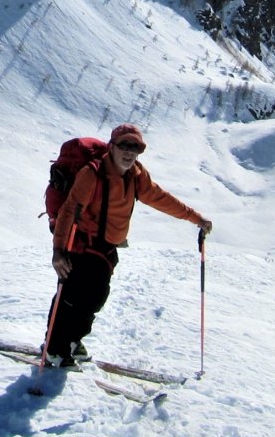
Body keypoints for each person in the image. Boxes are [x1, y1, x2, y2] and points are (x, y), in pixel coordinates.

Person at [46, 123, 211, 367]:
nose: (130, 152)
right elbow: (69, 210)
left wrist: (195, 218)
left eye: (136, 148)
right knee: (74, 295)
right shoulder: (92, 173)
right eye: (125, 145)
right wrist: (58, 251)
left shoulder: (136, 175)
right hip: (82, 242)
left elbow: (160, 198)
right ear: (112, 147)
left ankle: (72, 340)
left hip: (108, 246)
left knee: (95, 297)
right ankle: (55, 348)